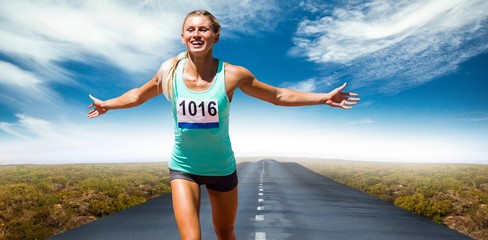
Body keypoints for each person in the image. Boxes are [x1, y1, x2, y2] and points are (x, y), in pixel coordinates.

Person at [87, 9, 359, 240]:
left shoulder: (232, 75)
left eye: (203, 30)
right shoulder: (168, 72)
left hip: (221, 168)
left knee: (225, 232)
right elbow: (137, 95)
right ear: (183, 36)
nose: (196, 34)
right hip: (184, 167)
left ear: (215, 36)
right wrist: (107, 104)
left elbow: (278, 95)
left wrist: (322, 98)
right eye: (190, 29)